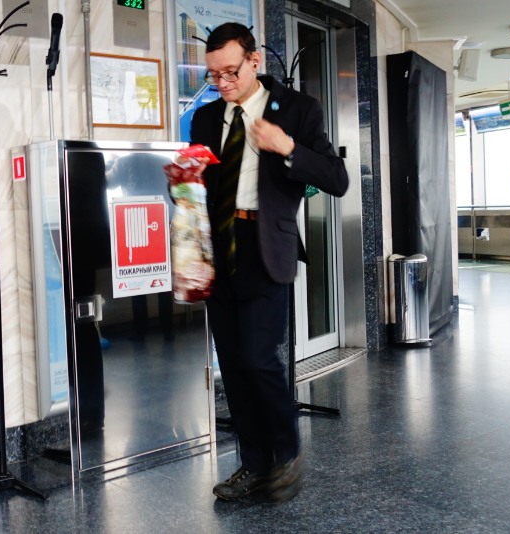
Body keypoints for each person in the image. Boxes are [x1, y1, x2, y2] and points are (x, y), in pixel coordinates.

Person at [180, 22, 349, 503]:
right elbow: (202, 185)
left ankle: (286, 452)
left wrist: (288, 147)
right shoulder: (205, 118)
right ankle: (254, 466)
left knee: (258, 358)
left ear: (254, 61)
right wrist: (186, 177)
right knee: (233, 366)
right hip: (218, 249)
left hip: (265, 246)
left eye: (230, 72)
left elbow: (337, 178)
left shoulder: (297, 109)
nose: (222, 83)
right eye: (213, 75)